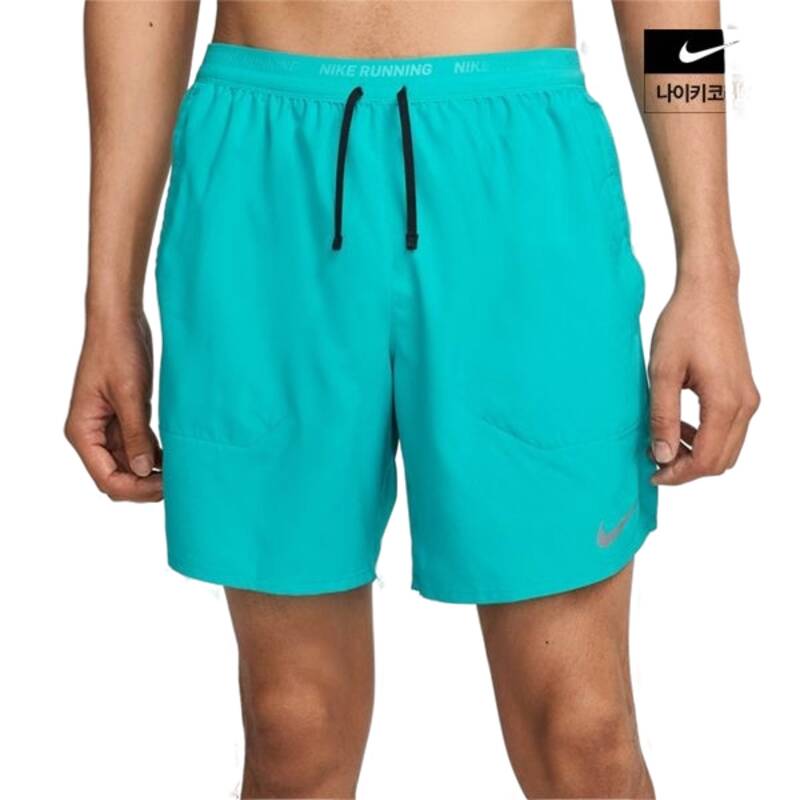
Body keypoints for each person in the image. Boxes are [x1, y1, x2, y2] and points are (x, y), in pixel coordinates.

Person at [66, 2, 759, 797]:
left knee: (585, 736)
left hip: (516, 171)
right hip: (267, 173)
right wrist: (108, 304)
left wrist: (711, 268)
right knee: (293, 729)